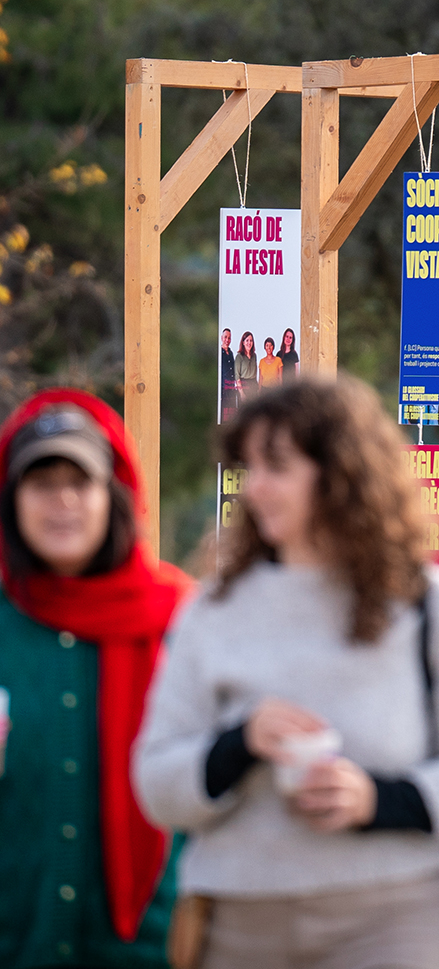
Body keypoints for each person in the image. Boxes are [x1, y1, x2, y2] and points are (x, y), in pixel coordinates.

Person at [135, 376, 439, 969]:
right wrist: (239, 744)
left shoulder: (433, 604)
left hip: (394, 921)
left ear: (342, 472)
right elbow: (155, 781)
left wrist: (379, 800)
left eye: (277, 466)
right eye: (249, 466)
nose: (254, 486)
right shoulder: (210, 611)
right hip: (240, 924)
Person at [0, 389, 192, 967]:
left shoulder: (183, 623)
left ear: (114, 496)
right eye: (41, 483)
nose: (62, 500)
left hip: (153, 949)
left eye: (79, 482)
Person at [221, 329, 238, 421]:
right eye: (225, 337)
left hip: (231, 389)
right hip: (223, 389)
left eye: (229, 338)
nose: (227, 340)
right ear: (221, 338)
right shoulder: (219, 353)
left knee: (231, 417)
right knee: (223, 416)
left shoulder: (231, 353)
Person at [235, 332, 257, 402]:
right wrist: (242, 393)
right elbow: (237, 377)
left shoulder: (254, 356)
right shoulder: (239, 357)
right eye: (247, 340)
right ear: (243, 342)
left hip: (253, 385)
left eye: (251, 340)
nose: (249, 343)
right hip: (243, 386)